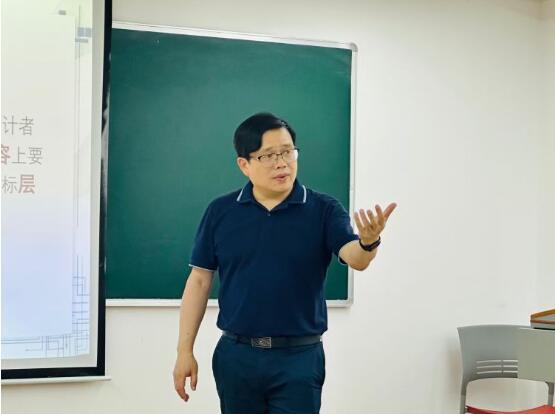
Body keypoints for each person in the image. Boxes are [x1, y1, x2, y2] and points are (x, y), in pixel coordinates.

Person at [172, 112, 396, 414]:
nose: (282, 163)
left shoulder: (324, 209)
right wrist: (184, 351)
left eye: (288, 152)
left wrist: (368, 242)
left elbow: (355, 257)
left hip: (299, 358)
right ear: (244, 164)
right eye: (268, 156)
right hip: (237, 355)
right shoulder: (221, 211)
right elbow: (199, 281)